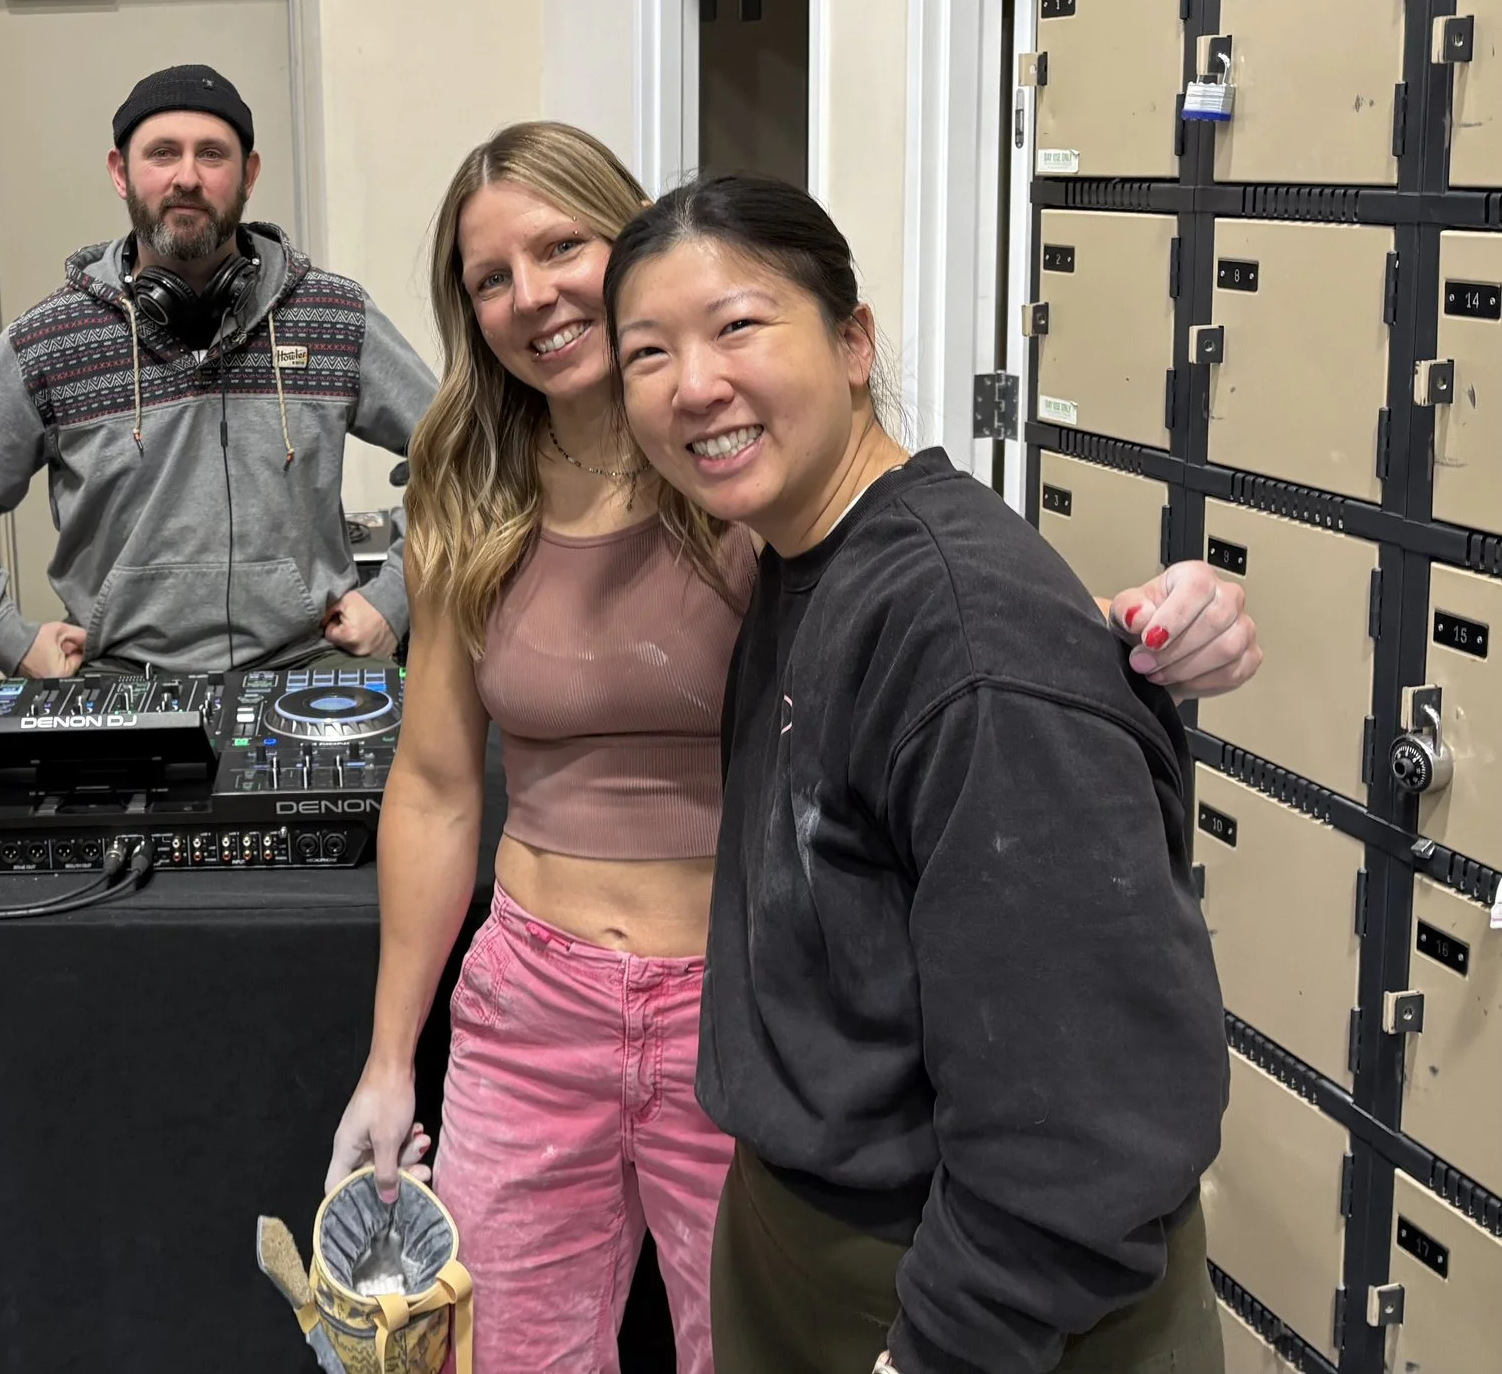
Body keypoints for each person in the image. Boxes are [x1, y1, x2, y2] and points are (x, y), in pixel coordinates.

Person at [327, 126, 1258, 1374]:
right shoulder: (496, 480)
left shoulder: (742, 482)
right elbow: (438, 786)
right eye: (488, 276)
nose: (531, 295)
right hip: (540, 1003)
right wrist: (392, 1061)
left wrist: (1124, 631)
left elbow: (932, 631)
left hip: (735, 994)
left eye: (562, 248)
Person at [606, 173, 1235, 1374]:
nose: (693, 384)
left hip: (970, 1309)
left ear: (853, 343)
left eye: (737, 326)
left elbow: (1083, 1113)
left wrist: (944, 1346)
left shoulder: (962, 634)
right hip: (819, 1246)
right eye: (647, 353)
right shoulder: (809, 566)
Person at [0, 63, 436, 676]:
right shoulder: (48, 341)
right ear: (120, 173)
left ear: (249, 174)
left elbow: (464, 454)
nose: (187, 176)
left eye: (212, 154)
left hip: (309, 672)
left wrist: (398, 595)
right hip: (118, 686)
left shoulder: (333, 316)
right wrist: (6, 636)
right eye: (162, 154)